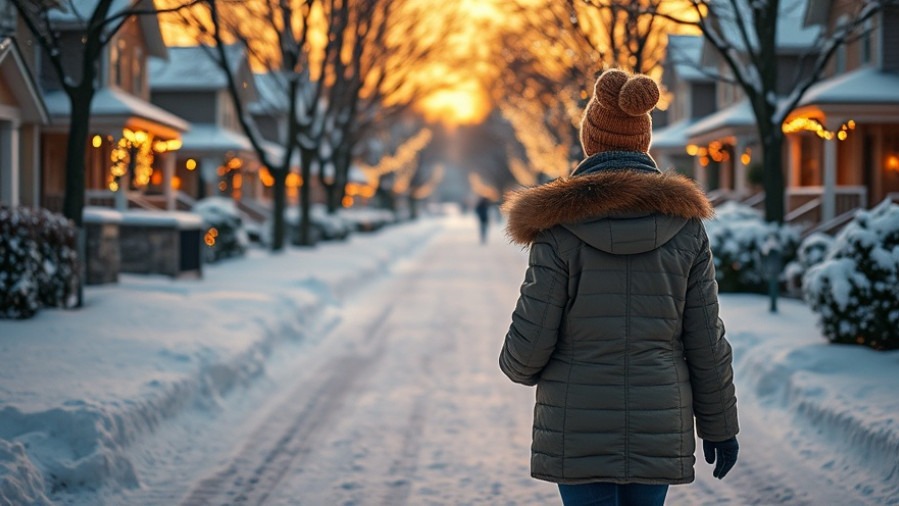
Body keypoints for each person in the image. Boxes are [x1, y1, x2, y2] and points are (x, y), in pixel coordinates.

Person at [498, 69, 739, 506]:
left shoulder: (559, 229)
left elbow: (525, 356)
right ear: (643, 142)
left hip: (578, 426)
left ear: (591, 141)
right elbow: (707, 338)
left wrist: (515, 361)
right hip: (658, 419)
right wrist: (721, 428)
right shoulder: (686, 229)